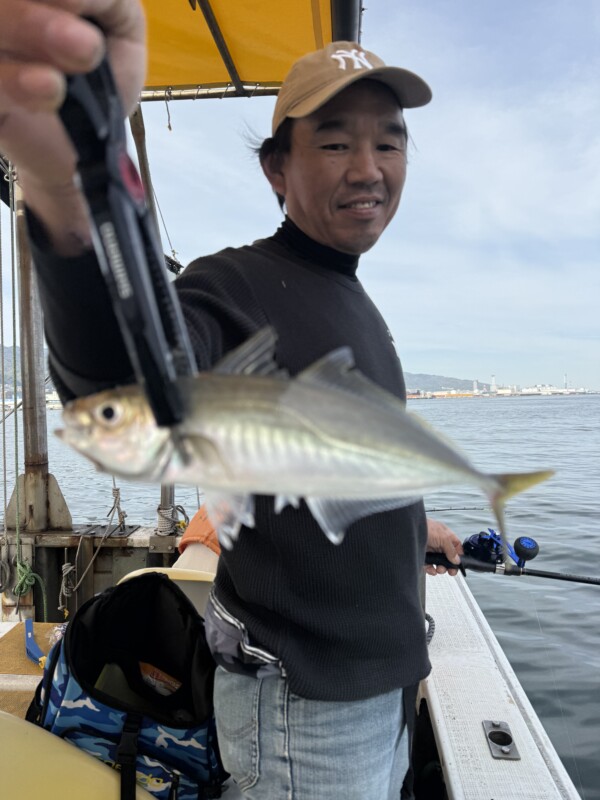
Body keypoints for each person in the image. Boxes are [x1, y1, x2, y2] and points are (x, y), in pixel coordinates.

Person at [0, 2, 464, 797]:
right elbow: (129, 380)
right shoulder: (233, 283)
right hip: (307, 708)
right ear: (276, 170)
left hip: (381, 683)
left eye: (389, 141)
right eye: (334, 142)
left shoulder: (352, 299)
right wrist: (67, 188)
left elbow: (323, 460)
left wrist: (410, 519)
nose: (368, 166)